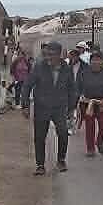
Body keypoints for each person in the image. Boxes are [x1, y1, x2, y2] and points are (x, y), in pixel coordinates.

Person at [24, 41, 75, 174]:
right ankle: (40, 165)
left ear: (59, 55)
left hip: (59, 108)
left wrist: (71, 108)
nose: (49, 58)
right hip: (42, 108)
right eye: (47, 54)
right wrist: (25, 105)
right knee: (40, 137)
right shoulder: (39, 67)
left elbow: (72, 89)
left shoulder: (67, 68)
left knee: (63, 133)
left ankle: (61, 160)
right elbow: (27, 85)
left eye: (52, 55)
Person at [75, 51, 103, 156]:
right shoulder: (84, 73)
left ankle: (99, 141)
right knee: (89, 126)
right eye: (93, 60)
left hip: (102, 103)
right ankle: (90, 149)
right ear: (90, 61)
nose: (96, 62)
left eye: (98, 60)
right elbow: (78, 86)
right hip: (88, 103)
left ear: (102, 62)